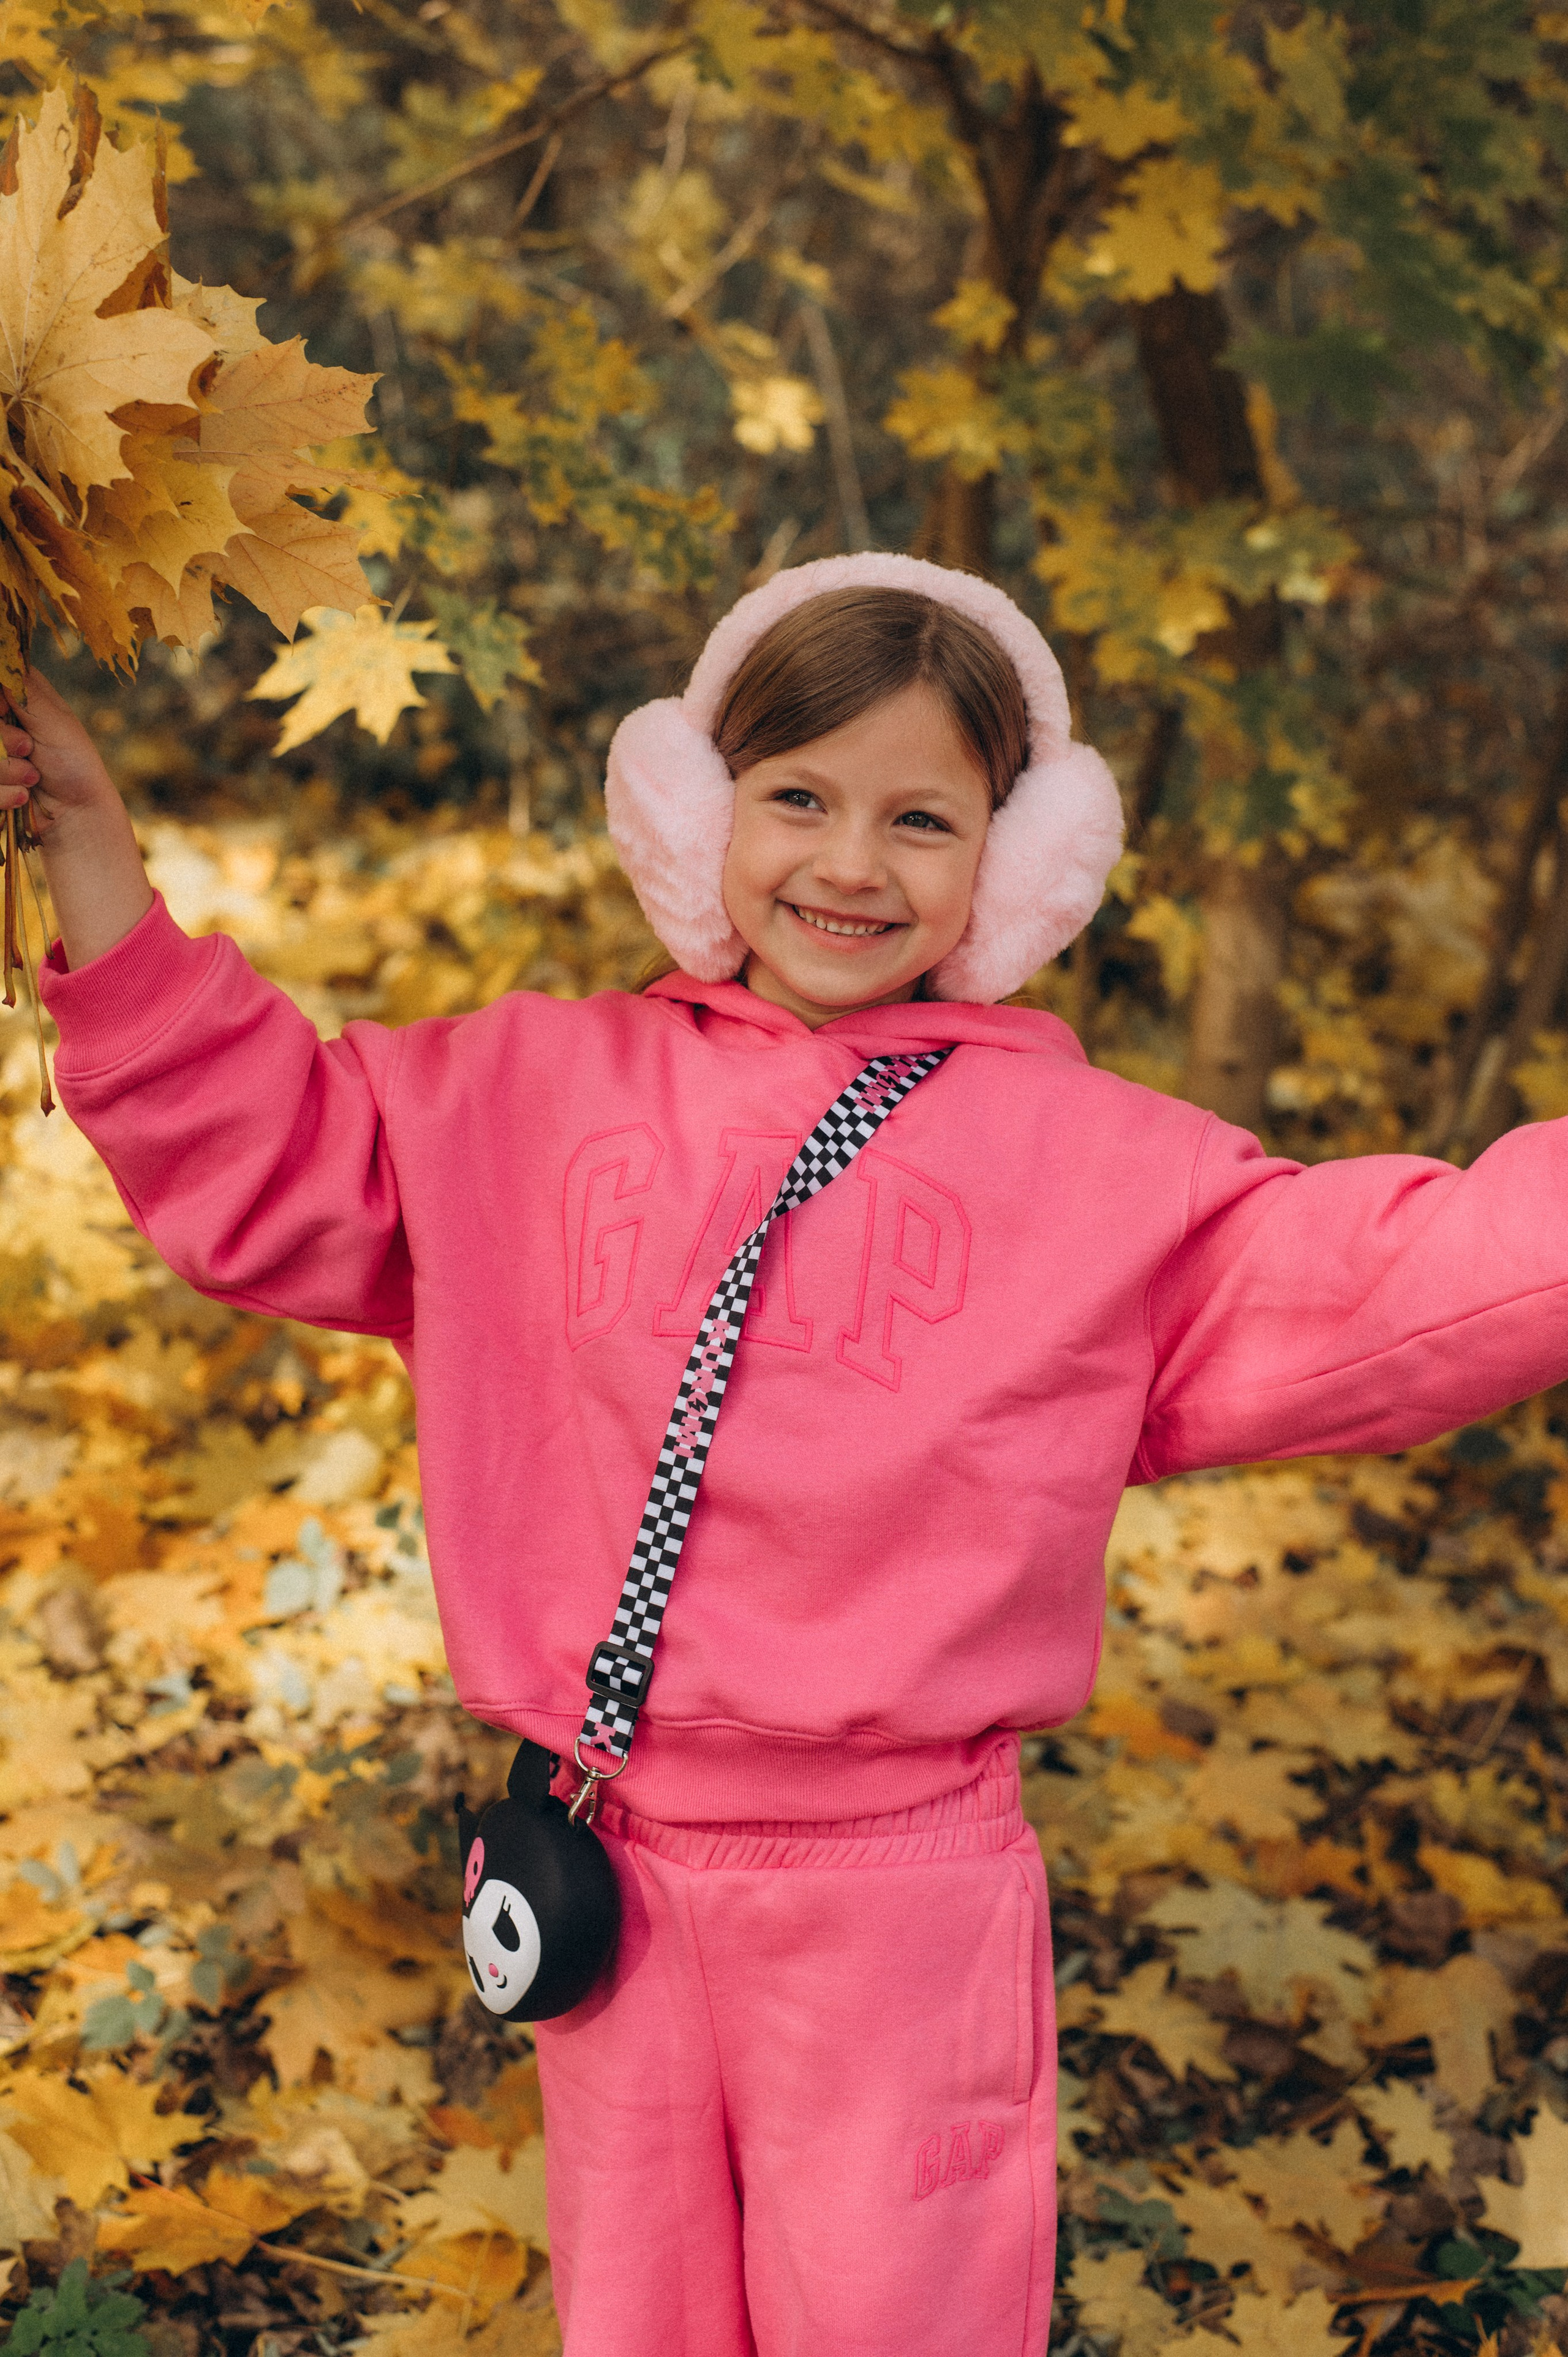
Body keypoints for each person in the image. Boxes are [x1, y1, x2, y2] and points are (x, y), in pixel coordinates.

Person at [5, 551, 1567, 2357]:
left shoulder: (1102, 1172)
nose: (849, 862)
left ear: (1020, 863)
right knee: (642, 2322)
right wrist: (95, 849)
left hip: (899, 1902)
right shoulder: (526, 1093)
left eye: (923, 818)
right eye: (798, 797)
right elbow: (258, 1155)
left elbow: (1405, 1277)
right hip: (611, 1863)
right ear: (691, 812)